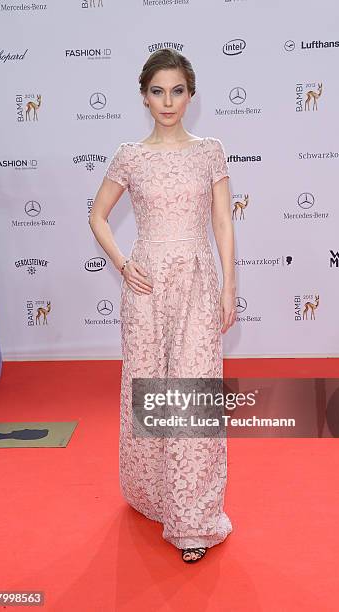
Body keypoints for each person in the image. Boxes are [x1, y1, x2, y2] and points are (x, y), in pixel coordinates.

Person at [89, 48, 236, 563]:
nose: (167, 101)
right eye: (158, 91)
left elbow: (222, 222)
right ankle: (155, 493)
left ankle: (193, 518)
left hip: (197, 276)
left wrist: (228, 285)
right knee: (151, 387)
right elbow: (98, 215)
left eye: (177, 90)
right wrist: (124, 264)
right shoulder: (131, 155)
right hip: (147, 284)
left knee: (193, 391)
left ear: (190, 95)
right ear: (144, 96)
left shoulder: (210, 151)